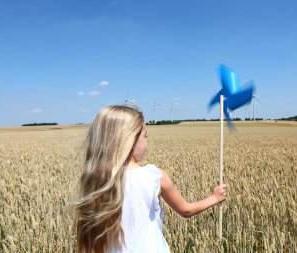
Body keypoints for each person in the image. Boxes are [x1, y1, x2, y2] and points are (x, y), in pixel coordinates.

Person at [74, 105, 227, 253]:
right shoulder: (155, 177)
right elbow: (186, 210)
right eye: (145, 136)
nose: (146, 143)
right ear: (130, 140)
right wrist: (215, 197)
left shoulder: (97, 180)